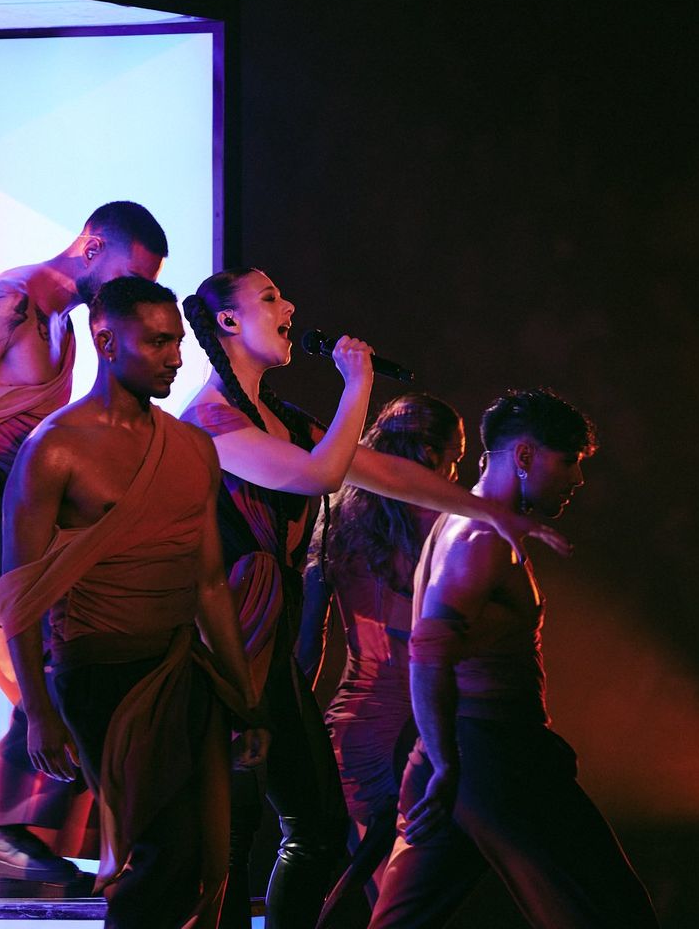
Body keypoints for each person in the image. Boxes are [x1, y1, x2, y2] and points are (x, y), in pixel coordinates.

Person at [179, 268, 570, 929]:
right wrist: (357, 382)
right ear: (226, 323)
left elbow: (386, 472)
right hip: (221, 648)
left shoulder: (282, 420)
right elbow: (320, 473)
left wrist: (499, 515)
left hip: (265, 651)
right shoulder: (211, 422)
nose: (289, 305)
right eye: (270, 298)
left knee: (314, 828)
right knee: (237, 834)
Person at [0, 276, 268, 929]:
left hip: (182, 669)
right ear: (104, 339)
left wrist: (244, 700)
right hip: (101, 675)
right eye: (156, 341)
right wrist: (37, 709)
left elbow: (207, 583)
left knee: (209, 861)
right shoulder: (54, 449)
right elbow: (19, 593)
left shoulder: (193, 448)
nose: (175, 356)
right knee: (162, 856)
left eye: (176, 340)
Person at [368, 388, 660, 929]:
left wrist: (441, 761)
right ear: (524, 457)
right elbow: (429, 651)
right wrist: (449, 761)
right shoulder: (479, 535)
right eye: (569, 461)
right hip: (491, 756)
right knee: (611, 913)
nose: (576, 480)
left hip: (461, 756)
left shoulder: (463, 526)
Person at [0, 201, 168, 884]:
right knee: (43, 655)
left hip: (21, 510)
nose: (129, 291)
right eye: (128, 272)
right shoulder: (12, 302)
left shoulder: (69, 327)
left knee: (67, 654)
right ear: (92, 244)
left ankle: (33, 829)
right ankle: (15, 829)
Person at [299, 393, 465, 926]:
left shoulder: (335, 525)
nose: (454, 473)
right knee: (403, 906)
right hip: (420, 728)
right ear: (432, 454)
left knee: (386, 900)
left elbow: (305, 654)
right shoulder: (447, 529)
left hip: (353, 731)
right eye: (454, 460)